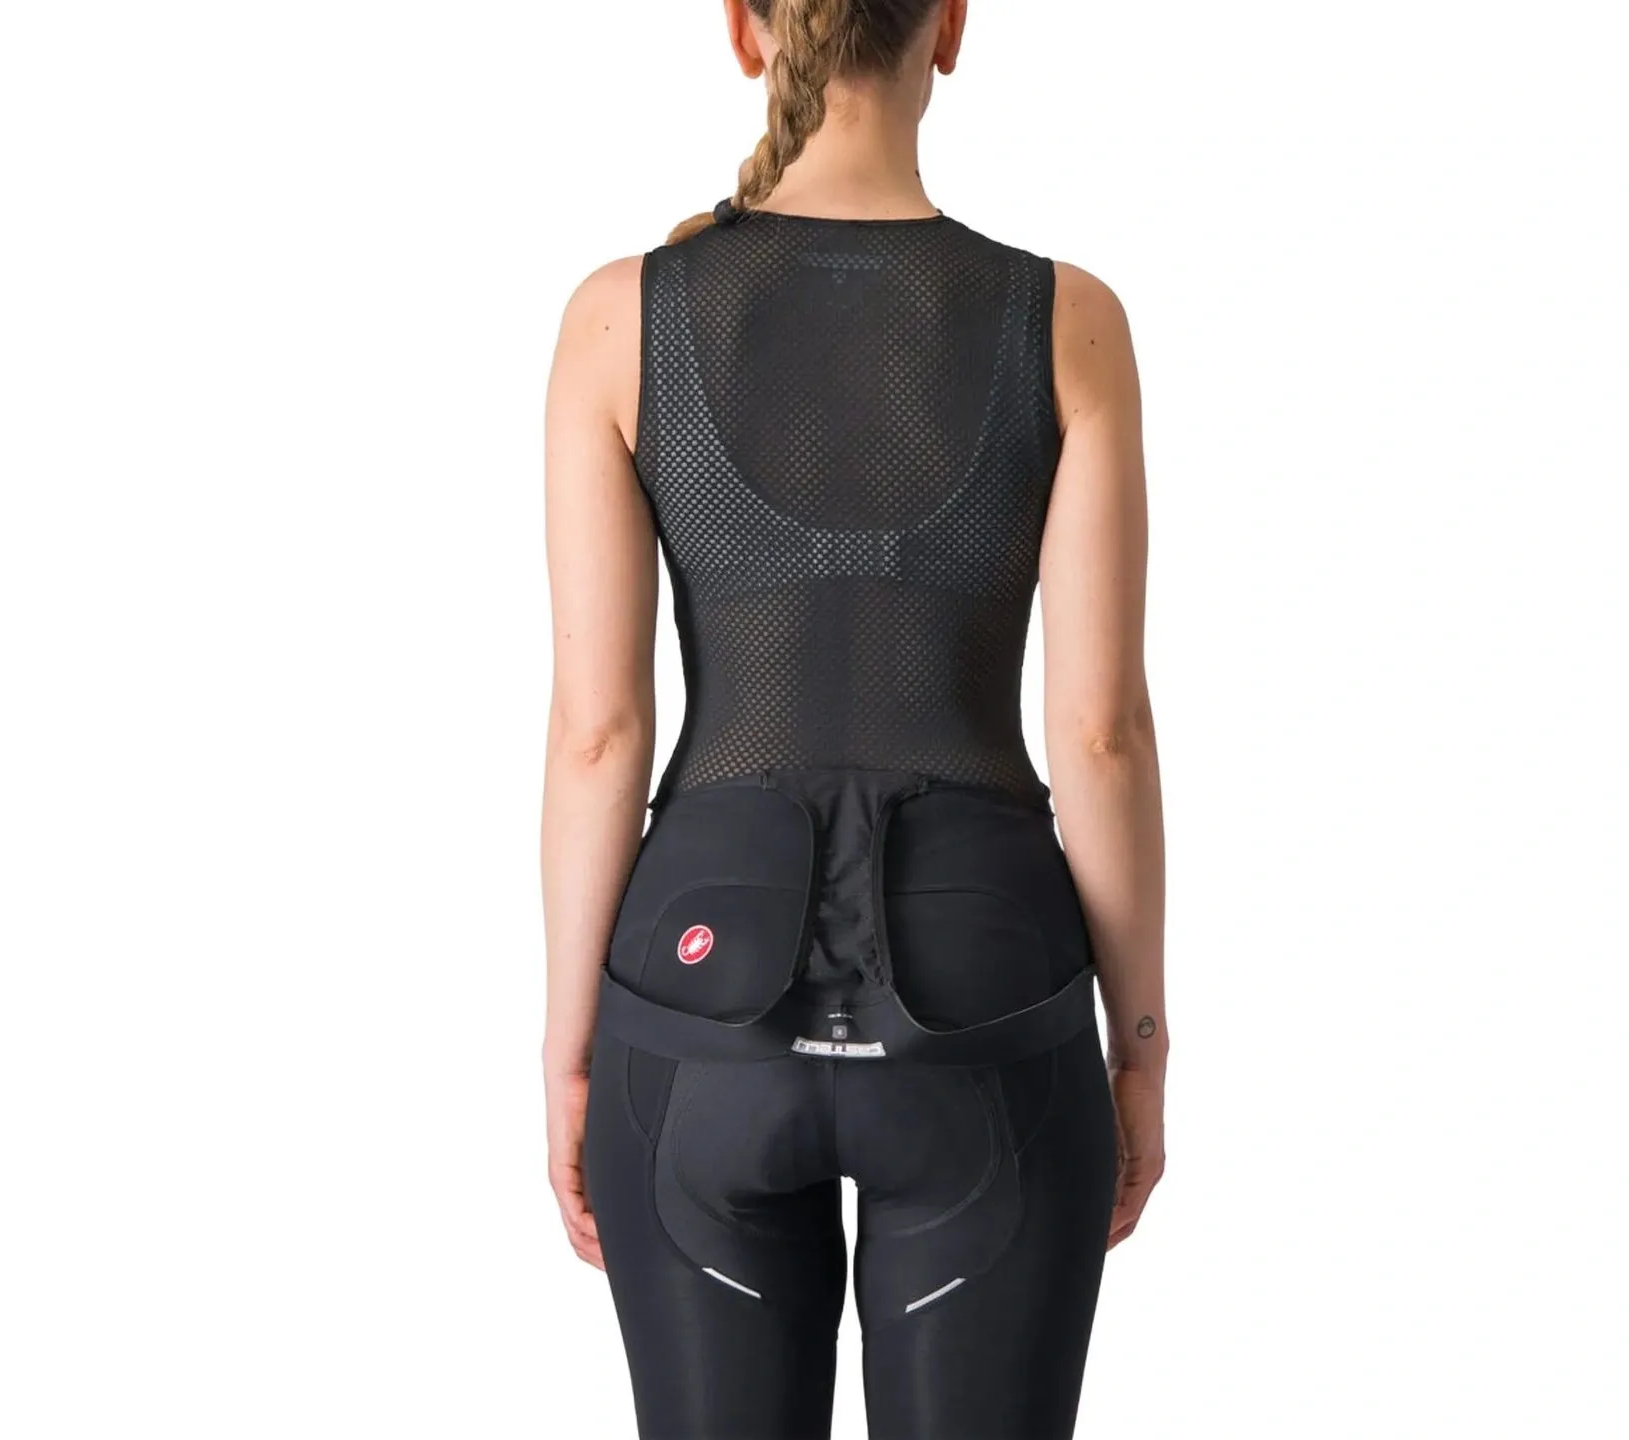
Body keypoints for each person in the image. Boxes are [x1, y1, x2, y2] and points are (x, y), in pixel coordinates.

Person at [540, 1, 1166, 1434]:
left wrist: (573, 1050)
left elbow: (597, 735)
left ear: (744, 28)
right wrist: (1138, 1041)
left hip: (697, 997)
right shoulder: (1067, 323)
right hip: (986, 986)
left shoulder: (620, 320)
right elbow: (1101, 734)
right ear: (950, 25)